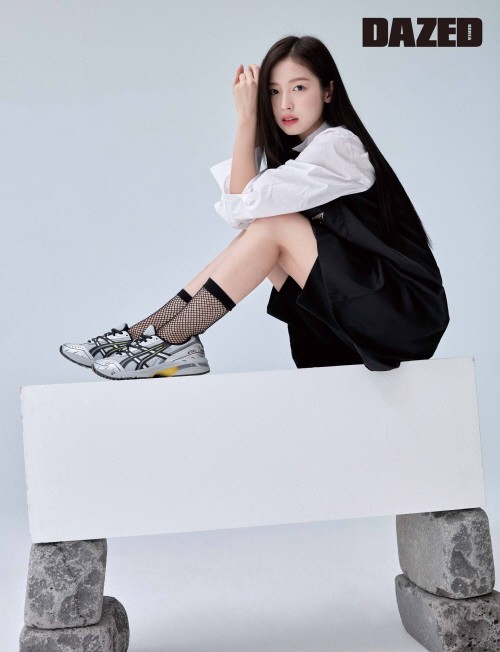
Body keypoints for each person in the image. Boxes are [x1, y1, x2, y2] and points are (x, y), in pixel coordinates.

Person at [60, 34, 449, 380]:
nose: (285, 103)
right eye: (274, 92)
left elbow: (240, 207)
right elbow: (246, 210)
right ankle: (147, 335)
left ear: (328, 91)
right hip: (357, 315)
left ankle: (170, 339)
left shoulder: (338, 145)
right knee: (261, 232)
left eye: (299, 87)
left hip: (402, 313)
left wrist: (246, 117)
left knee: (271, 226)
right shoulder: (302, 156)